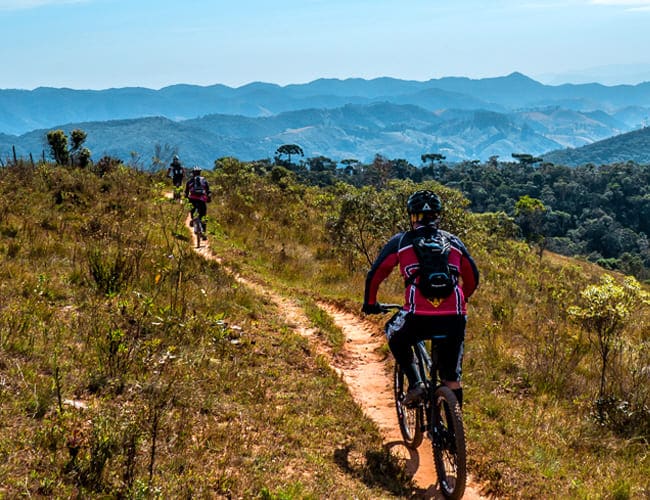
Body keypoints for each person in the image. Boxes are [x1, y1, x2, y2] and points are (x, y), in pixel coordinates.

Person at [362, 190, 479, 408]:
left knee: (393, 332)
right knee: (452, 378)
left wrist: (370, 303)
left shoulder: (401, 241)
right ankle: (454, 433)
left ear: (412, 216)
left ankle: (416, 383)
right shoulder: (453, 241)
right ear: (438, 215)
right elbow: (472, 277)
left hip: (417, 317)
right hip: (454, 317)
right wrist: (463, 299)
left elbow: (376, 273)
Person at [185, 166, 211, 240]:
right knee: (203, 216)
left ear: (193, 173)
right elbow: (208, 192)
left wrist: (186, 199)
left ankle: (193, 220)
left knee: (192, 212)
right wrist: (209, 198)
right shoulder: (204, 181)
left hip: (192, 200)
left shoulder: (189, 182)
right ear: (200, 172)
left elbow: (186, 193)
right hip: (202, 200)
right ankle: (204, 233)